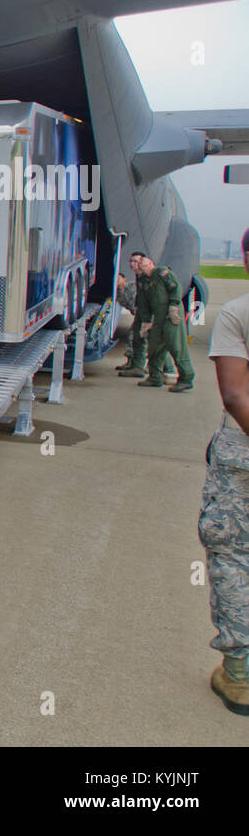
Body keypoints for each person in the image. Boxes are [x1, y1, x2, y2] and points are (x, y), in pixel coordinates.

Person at [199, 226, 249, 715]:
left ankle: (240, 679)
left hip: (243, 458)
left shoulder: (238, 313)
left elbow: (235, 395)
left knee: (234, 558)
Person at [134, 252, 195, 392]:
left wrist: (174, 305)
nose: (142, 265)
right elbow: (143, 303)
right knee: (154, 345)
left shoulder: (162, 273)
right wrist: (145, 321)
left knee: (175, 344)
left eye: (145, 263)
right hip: (158, 316)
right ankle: (155, 377)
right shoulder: (143, 281)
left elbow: (175, 288)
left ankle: (186, 378)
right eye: (141, 263)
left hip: (171, 314)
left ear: (152, 264)